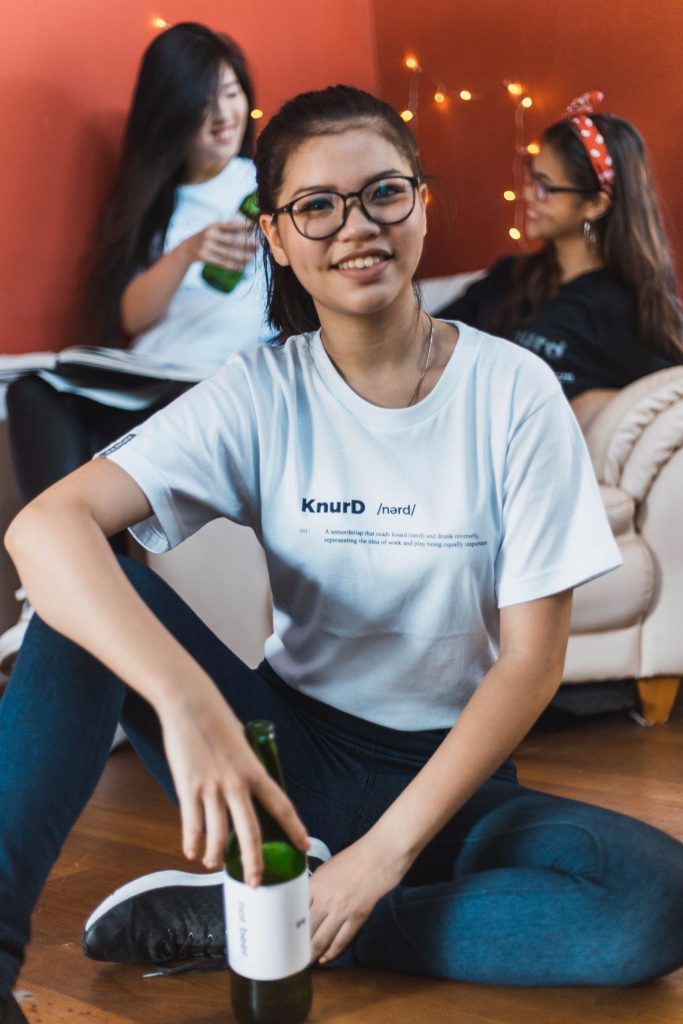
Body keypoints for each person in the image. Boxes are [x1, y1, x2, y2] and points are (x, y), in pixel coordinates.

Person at [2, 85, 683, 1023]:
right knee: (75, 602)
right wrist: (188, 705)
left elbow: (530, 663)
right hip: (285, 758)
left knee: (651, 904)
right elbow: (42, 527)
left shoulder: (512, 391)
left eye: (382, 193)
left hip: (448, 781)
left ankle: (282, 918)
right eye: (316, 205)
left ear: (421, 204)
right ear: (277, 237)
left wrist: (376, 863)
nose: (356, 226)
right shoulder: (259, 390)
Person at [0, 22, 272, 677]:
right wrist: (187, 252)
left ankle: (66, 591)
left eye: (231, 93)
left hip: (214, 379)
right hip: (149, 375)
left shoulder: (267, 185)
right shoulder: (153, 202)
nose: (223, 115)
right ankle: (60, 590)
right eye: (202, 103)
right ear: (170, 113)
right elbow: (130, 315)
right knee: (32, 391)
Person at [437, 92, 683, 402]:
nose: (529, 194)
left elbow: (669, 393)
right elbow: (429, 339)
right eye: (532, 177)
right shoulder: (510, 275)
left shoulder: (624, 312)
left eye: (546, 187)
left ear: (595, 204)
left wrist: (594, 402)